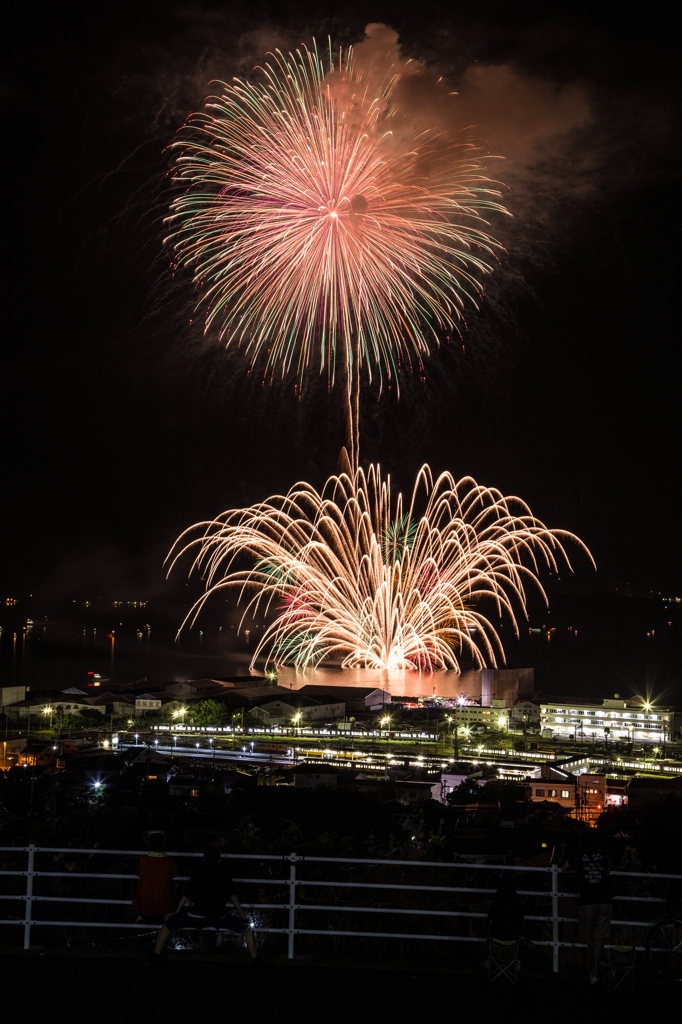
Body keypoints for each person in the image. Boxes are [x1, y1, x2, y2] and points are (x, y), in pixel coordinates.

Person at [149, 845, 263, 969]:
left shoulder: (198, 871)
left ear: (203, 859)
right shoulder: (224, 872)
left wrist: (176, 912)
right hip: (219, 916)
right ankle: (255, 960)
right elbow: (233, 896)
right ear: (219, 860)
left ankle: (155, 956)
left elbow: (186, 895)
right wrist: (242, 915)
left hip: (196, 916)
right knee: (247, 928)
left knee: (168, 924)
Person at [562, 830, 613, 985]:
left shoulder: (576, 854)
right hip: (605, 901)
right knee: (599, 939)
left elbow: (563, 868)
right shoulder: (602, 854)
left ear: (579, 843)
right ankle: (596, 973)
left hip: (587, 902)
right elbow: (608, 870)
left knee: (585, 935)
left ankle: (602, 963)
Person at [133, 832, 179, 923]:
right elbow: (175, 876)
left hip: (145, 902)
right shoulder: (169, 860)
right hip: (164, 902)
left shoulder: (144, 860)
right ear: (163, 845)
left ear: (149, 844)